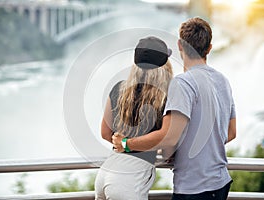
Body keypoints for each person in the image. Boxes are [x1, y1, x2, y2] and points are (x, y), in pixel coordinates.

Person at [113, 17, 236, 200]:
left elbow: (169, 138)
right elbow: (231, 132)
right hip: (220, 183)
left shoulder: (182, 83)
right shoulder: (222, 81)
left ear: (180, 45)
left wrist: (126, 144)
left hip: (194, 187)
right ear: (209, 48)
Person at [95, 36, 173, 200]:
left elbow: (105, 132)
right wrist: (138, 145)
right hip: (129, 181)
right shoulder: (166, 98)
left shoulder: (119, 88)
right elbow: (167, 145)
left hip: (106, 172)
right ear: (163, 67)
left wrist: (124, 143)